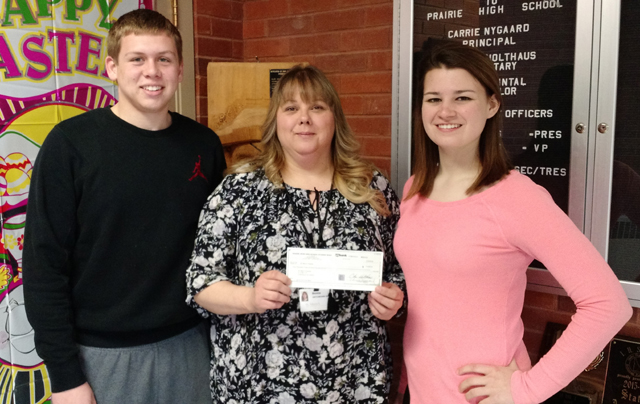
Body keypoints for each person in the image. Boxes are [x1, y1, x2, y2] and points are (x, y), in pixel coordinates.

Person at [394, 41, 632, 404]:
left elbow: (608, 303)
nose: (445, 111)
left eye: (462, 97)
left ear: (492, 105)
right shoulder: (414, 188)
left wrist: (527, 389)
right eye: (433, 99)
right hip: (423, 392)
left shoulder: (516, 197)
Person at [22, 9, 225, 404]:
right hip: (102, 356)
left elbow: (218, 247)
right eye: (137, 59)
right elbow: (44, 266)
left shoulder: (204, 144)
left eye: (163, 59)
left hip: (191, 346)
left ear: (180, 69)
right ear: (112, 68)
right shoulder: (70, 145)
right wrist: (65, 376)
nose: (152, 71)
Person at [186, 65, 406, 403]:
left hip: (353, 382)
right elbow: (201, 282)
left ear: (335, 118)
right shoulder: (239, 190)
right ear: (276, 121)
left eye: (317, 107)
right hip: (260, 385)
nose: (304, 118)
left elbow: (400, 270)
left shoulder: (371, 188)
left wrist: (394, 299)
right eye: (291, 108)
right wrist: (250, 298)